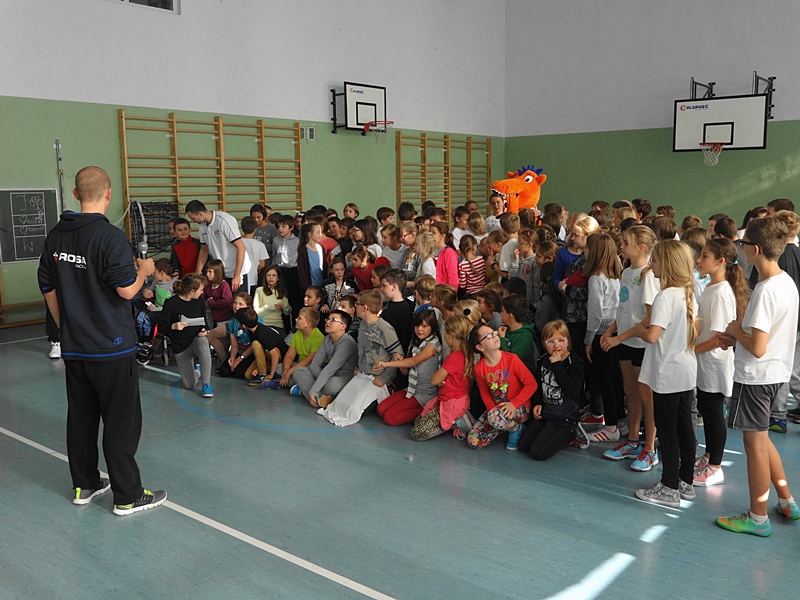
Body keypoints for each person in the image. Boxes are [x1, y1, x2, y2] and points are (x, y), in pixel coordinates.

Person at [38, 165, 166, 516]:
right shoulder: (111, 238)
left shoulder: (56, 236)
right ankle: (128, 495)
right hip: (112, 348)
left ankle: (85, 483)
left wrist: (65, 327)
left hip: (75, 347)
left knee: (81, 418)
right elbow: (126, 290)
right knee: (121, 421)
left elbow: (47, 285)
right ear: (108, 194)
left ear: (76, 194)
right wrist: (144, 271)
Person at [716, 217, 800, 536]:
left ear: (755, 249)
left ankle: (758, 516)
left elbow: (758, 347)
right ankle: (787, 500)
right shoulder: (785, 282)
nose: (740, 248)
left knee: (754, 446)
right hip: (775, 374)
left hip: (756, 377)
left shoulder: (765, 291)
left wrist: (736, 331)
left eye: (742, 244)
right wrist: (737, 336)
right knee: (762, 439)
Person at [631, 241, 698, 508]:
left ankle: (669, 486)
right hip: (685, 369)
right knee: (684, 427)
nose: (651, 265)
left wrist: (639, 330)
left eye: (655, 260)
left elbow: (652, 335)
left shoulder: (665, 296)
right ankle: (685, 481)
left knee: (667, 429)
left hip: (668, 372)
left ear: (667, 264)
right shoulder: (687, 292)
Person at [600, 226, 660, 471]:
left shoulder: (649, 276)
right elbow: (623, 308)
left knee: (646, 395)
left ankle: (650, 448)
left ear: (641, 247)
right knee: (630, 391)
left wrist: (620, 337)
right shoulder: (626, 272)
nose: (621, 246)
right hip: (624, 341)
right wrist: (611, 330)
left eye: (626, 243)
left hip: (640, 344)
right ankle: (632, 441)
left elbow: (650, 317)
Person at [692, 238, 748, 486]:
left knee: (714, 413)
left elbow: (718, 338)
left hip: (714, 363)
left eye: (704, 256)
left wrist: (692, 351)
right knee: (706, 408)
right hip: (705, 361)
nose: (699, 260)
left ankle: (716, 466)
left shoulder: (722, 292)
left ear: (720, 261)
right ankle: (708, 455)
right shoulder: (711, 288)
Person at [317, 290, 401, 427]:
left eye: (357, 304)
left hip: (377, 377)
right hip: (362, 374)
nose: (355, 306)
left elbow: (398, 356)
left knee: (354, 409)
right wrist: (359, 366)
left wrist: (384, 378)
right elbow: (362, 350)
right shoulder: (362, 325)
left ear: (365, 307)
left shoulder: (385, 329)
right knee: (339, 405)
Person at [518, 320, 586, 460]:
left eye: (561, 340)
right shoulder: (542, 360)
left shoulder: (575, 362)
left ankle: (572, 433)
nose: (556, 345)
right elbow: (538, 384)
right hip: (547, 413)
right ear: (544, 344)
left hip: (564, 417)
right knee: (523, 446)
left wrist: (557, 366)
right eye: (550, 341)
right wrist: (538, 403)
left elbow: (573, 391)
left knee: (537, 453)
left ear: (568, 342)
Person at [468, 322, 537, 450]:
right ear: (480, 347)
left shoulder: (512, 359)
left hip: (520, 407)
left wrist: (514, 404)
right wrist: (492, 410)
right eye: (488, 336)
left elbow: (531, 384)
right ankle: (503, 425)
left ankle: (516, 428)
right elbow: (484, 391)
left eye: (494, 333)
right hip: (497, 411)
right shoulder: (479, 368)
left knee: (495, 419)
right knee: (473, 441)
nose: (495, 336)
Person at [580, 233, 622, 443]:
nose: (584, 252)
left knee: (605, 381)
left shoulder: (596, 279)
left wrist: (588, 340)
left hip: (601, 334)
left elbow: (595, 313)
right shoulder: (617, 273)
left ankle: (611, 426)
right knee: (614, 379)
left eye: (587, 248)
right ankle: (619, 421)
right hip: (616, 331)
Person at [410, 315, 476, 440]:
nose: (444, 337)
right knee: (418, 422)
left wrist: (439, 378)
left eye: (445, 333)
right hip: (451, 397)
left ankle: (458, 421)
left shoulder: (455, 356)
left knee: (417, 433)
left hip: (452, 401)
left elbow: (433, 379)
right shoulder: (461, 351)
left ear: (450, 334)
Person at [375, 309, 443, 426]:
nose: (419, 329)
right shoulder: (414, 342)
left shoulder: (433, 344)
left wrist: (386, 364)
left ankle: (429, 410)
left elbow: (413, 361)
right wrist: (399, 361)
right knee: (381, 409)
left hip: (425, 394)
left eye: (424, 326)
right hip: (411, 389)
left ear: (432, 327)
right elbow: (405, 372)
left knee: (390, 418)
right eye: (417, 326)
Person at [160, 273, 214, 398]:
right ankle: (197, 372)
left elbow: (205, 322)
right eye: (200, 290)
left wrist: (204, 330)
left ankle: (206, 383)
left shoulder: (200, 302)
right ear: (192, 291)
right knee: (189, 385)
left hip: (195, 340)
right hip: (180, 345)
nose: (202, 293)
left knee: (203, 341)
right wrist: (173, 326)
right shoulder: (171, 303)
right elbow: (162, 326)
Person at [291, 310, 358, 407]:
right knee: (299, 371)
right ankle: (320, 398)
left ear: (343, 326)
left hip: (343, 376)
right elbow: (314, 364)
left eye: (333, 320)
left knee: (331, 386)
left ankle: (308, 391)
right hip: (327, 374)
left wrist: (314, 389)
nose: (328, 322)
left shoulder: (347, 343)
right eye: (328, 319)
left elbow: (330, 369)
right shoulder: (327, 339)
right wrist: (319, 383)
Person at [185, 199, 249, 292]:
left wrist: (236, 275)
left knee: (238, 300)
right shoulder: (202, 225)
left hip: (237, 271)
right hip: (220, 272)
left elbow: (241, 247)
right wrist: (197, 274)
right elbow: (204, 249)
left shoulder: (224, 220)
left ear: (200, 214)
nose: (192, 220)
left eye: (192, 218)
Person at [237, 307, 289, 387]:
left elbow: (275, 355)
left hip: (278, 355)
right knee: (248, 375)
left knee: (255, 344)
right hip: (266, 353)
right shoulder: (252, 330)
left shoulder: (263, 334)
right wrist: (241, 358)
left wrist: (271, 374)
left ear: (243, 325)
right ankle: (265, 369)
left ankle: (262, 374)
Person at [216, 293, 260, 378]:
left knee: (239, 373)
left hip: (251, 353)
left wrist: (240, 359)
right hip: (239, 351)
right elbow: (234, 344)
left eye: (240, 304)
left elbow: (255, 343)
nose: (236, 306)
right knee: (224, 371)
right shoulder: (232, 322)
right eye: (235, 303)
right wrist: (232, 357)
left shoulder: (254, 319)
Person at [280, 307, 324, 389]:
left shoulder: (318, 337)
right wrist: (286, 369)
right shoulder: (297, 333)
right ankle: (294, 384)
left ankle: (292, 384)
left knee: (297, 373)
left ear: (308, 324)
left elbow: (309, 360)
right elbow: (289, 356)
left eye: (299, 318)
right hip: (299, 364)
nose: (296, 319)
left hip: (312, 367)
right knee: (279, 368)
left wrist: (290, 372)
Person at [253, 265, 291, 332]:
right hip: (263, 325)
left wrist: (284, 306)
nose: (271, 277)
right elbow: (255, 313)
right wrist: (269, 307)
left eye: (274, 275)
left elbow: (288, 312)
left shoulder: (281, 291)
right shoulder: (259, 290)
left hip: (278, 326)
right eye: (268, 275)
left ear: (278, 278)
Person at [241, 216, 269, 296]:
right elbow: (262, 265)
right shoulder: (260, 245)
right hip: (253, 278)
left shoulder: (238, 243)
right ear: (255, 229)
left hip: (239, 277)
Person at [203, 259, 234, 325]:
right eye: (207, 271)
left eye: (210, 272)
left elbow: (227, 301)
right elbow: (202, 296)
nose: (207, 274)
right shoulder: (208, 286)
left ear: (217, 272)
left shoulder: (224, 285)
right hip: (214, 319)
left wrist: (211, 303)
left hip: (225, 319)